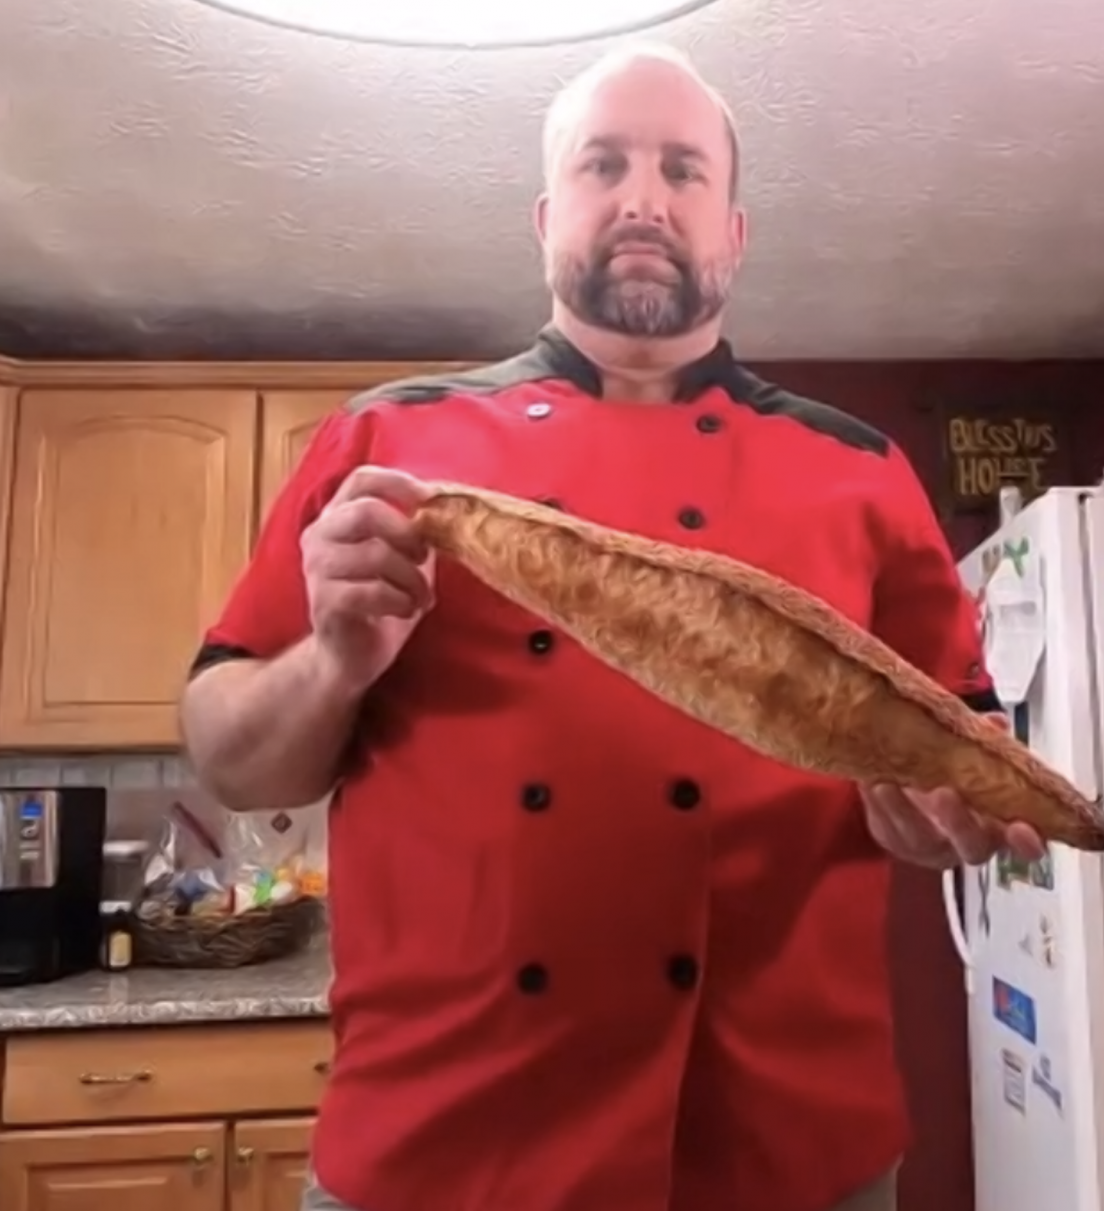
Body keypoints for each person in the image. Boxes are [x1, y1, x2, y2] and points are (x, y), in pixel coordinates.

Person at [180, 43, 1047, 1211]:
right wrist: (336, 660)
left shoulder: (862, 471)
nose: (644, 198)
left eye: (684, 170)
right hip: (442, 1145)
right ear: (548, 218)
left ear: (734, 230)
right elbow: (232, 761)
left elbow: (969, 753)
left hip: (785, 1148)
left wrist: (944, 824)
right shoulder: (388, 447)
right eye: (605, 165)